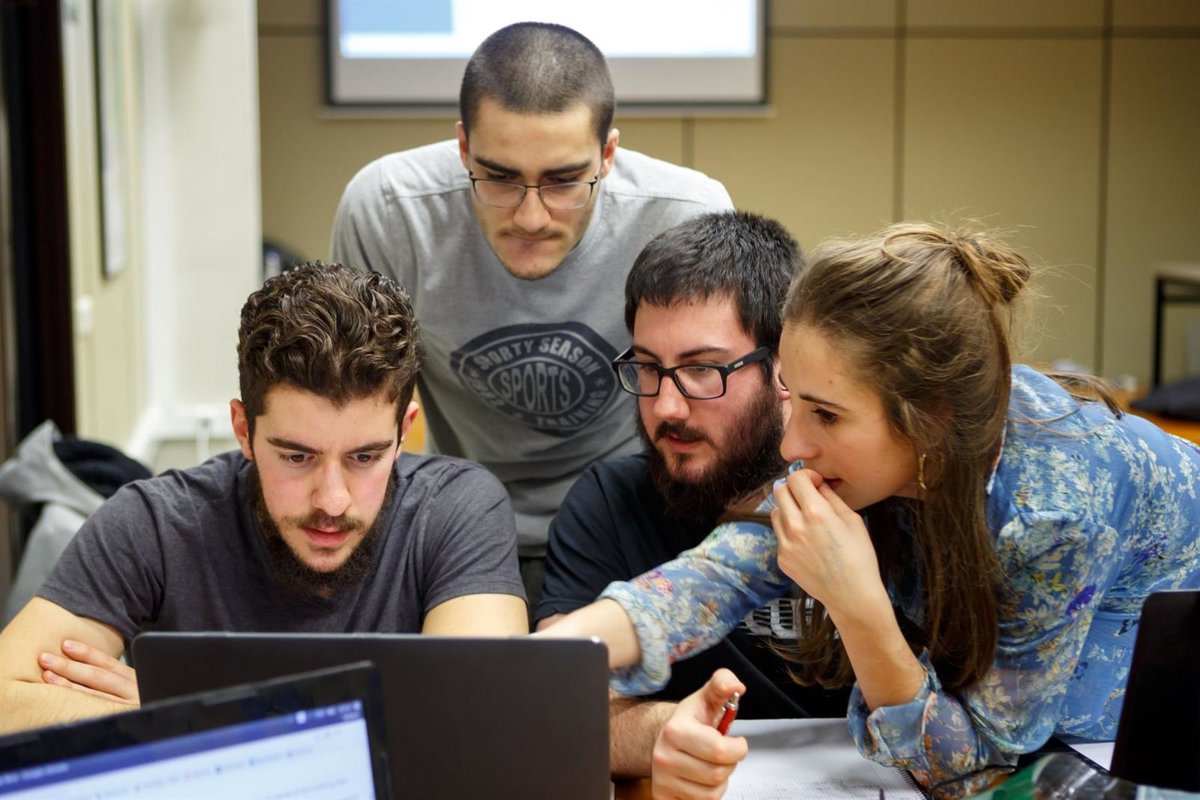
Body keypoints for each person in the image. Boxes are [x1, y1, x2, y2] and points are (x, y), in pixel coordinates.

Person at [543, 222, 1200, 799]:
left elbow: (978, 769)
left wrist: (857, 606)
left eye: (827, 415)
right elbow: (711, 580)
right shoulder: (874, 457)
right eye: (794, 399)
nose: (793, 447)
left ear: (929, 420)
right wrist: (544, 659)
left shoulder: (1054, 514)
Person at [0, 263, 527, 734]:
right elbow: (6, 702)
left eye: (365, 457)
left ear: (403, 431)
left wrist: (186, 714)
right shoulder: (154, 523)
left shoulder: (459, 510)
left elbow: (479, 719)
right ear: (243, 430)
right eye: (297, 457)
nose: (333, 500)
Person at [331, 22, 732, 614]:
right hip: (458, 519)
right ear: (463, 147)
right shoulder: (391, 214)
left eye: (564, 181)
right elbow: (349, 411)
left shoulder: (684, 215)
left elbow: (722, 406)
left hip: (634, 515)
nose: (531, 217)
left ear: (608, 155)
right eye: (499, 178)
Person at [534, 211, 849, 777]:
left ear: (786, 366)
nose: (666, 407)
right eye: (648, 367)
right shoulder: (609, 500)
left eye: (703, 369)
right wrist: (661, 732)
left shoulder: (856, 490)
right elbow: (553, 699)